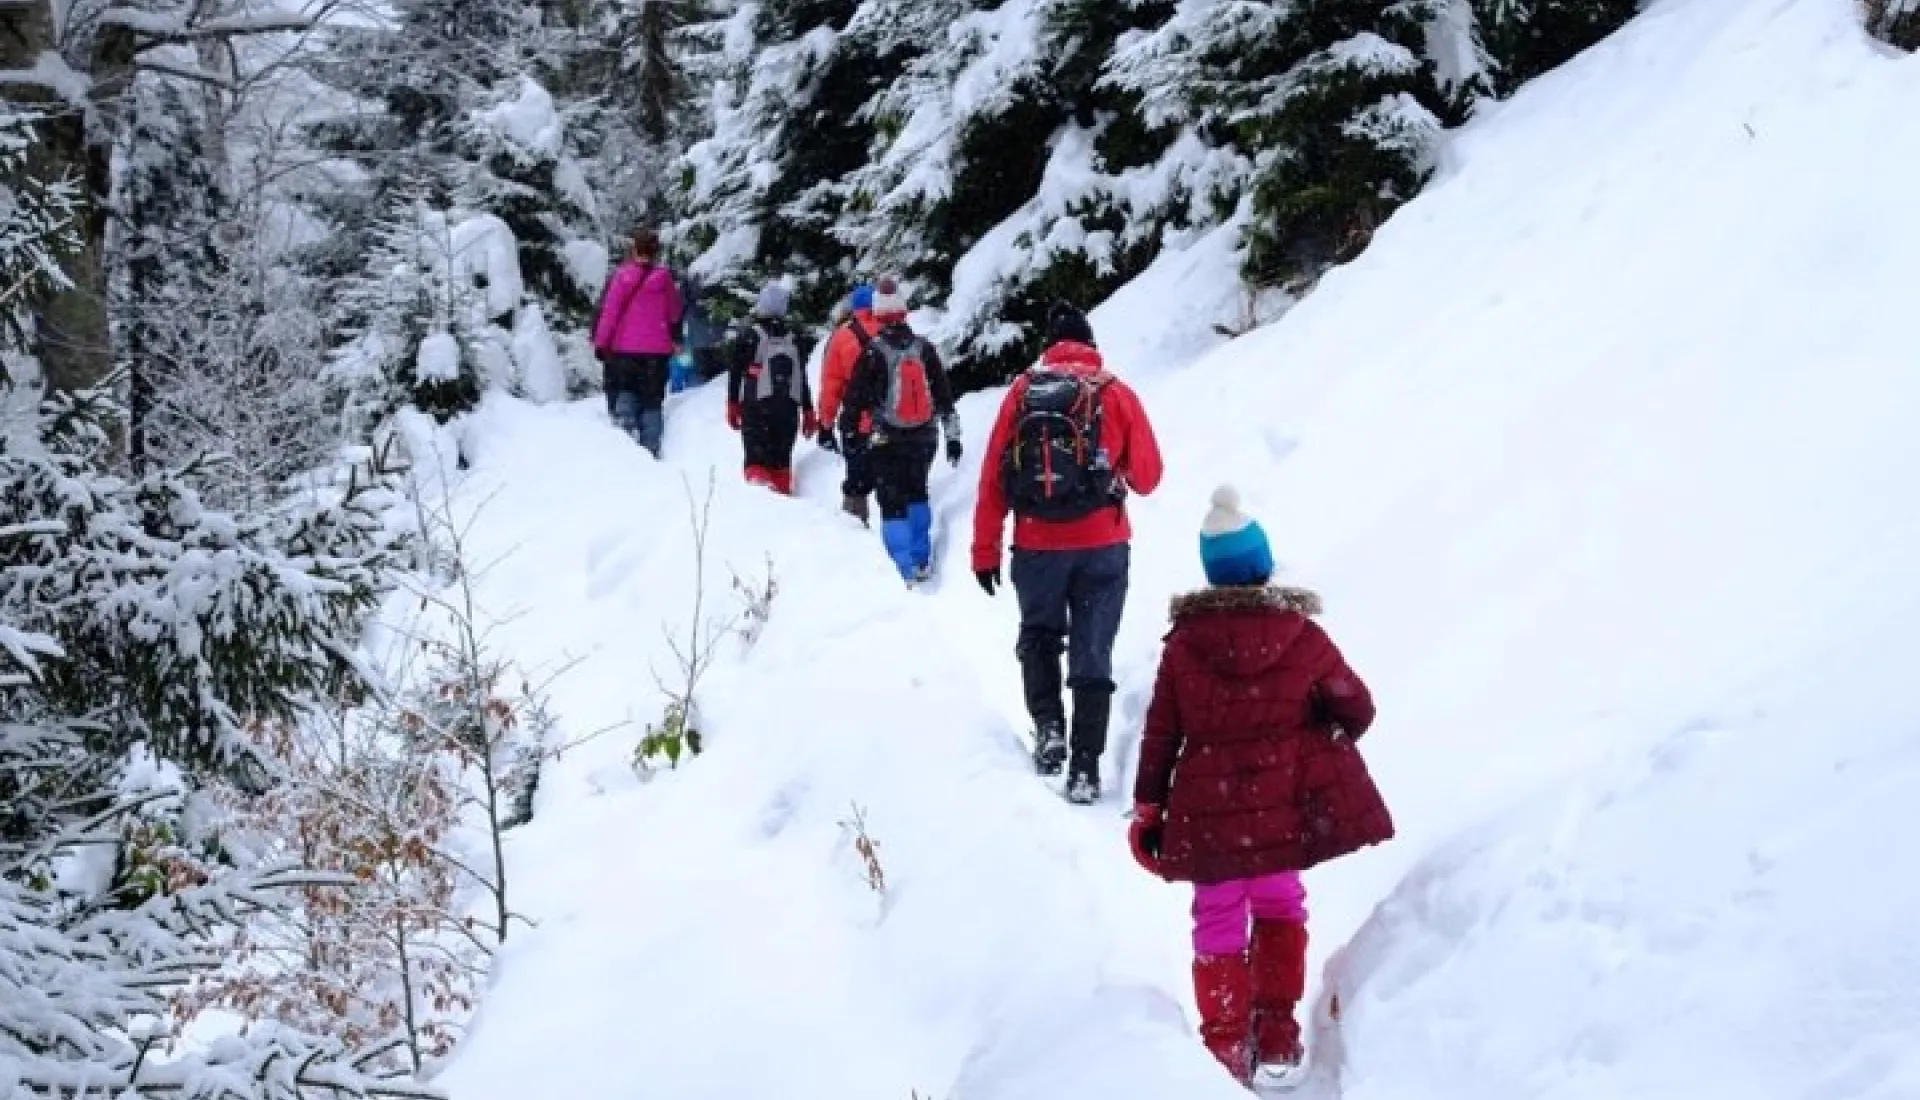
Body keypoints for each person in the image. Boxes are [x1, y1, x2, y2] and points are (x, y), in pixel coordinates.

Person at [1127, 485, 1391, 1089]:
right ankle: (1276, 1035)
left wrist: (1148, 809)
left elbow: (1161, 733)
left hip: (1207, 813)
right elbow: (1359, 708)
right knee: (1279, 906)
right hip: (1281, 812)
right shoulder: (1301, 635)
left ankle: (1223, 1049)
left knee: (1217, 920)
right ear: (1263, 564)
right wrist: (1313, 734)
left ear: (1212, 576)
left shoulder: (1185, 645)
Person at [970, 301, 1163, 804]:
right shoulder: (1114, 393)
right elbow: (1148, 478)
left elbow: (993, 476)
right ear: (1091, 346)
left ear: (1049, 348)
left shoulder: (1021, 394)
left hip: (1036, 544)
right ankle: (1084, 765)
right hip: (1102, 543)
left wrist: (984, 549)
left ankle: (1049, 727)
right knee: (1092, 649)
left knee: (1038, 635)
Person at [837, 282, 962, 583]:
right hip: (925, 437)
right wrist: (953, 436)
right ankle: (922, 559)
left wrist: (849, 433)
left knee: (892, 502)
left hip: (887, 439)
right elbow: (944, 396)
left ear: (879, 315)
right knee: (918, 492)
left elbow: (855, 400)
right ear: (904, 312)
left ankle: (901, 568)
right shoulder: (924, 349)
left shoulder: (873, 353)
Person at [591, 227, 684, 457]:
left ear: (634, 250)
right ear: (656, 252)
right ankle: (651, 449)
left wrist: (601, 343)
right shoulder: (665, 279)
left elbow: (610, 312)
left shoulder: (622, 276)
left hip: (625, 349)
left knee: (627, 392)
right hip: (657, 351)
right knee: (652, 400)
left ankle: (626, 447)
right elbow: (674, 313)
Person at [725, 282, 817, 495]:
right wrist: (808, 410)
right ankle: (783, 501)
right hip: (788, 409)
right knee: (781, 463)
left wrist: (732, 403)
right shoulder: (794, 338)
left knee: (755, 462)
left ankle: (762, 507)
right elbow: (800, 376)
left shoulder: (750, 335)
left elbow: (736, 371)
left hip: (756, 406)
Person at [817, 282, 879, 524]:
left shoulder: (843, 337)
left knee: (856, 485)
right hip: (895, 425)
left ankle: (856, 530)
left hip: (859, 424)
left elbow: (832, 386)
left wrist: (825, 424)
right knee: (895, 487)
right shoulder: (896, 330)